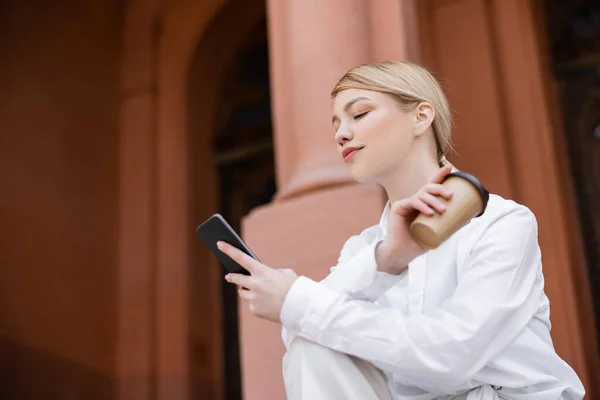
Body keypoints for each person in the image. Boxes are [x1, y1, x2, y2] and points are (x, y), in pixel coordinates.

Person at [217, 61, 586, 399]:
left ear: (421, 116)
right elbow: (304, 335)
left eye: (358, 114)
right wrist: (385, 261)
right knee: (312, 346)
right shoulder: (363, 249)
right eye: (335, 125)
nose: (342, 134)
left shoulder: (501, 223)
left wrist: (299, 300)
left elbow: (452, 356)